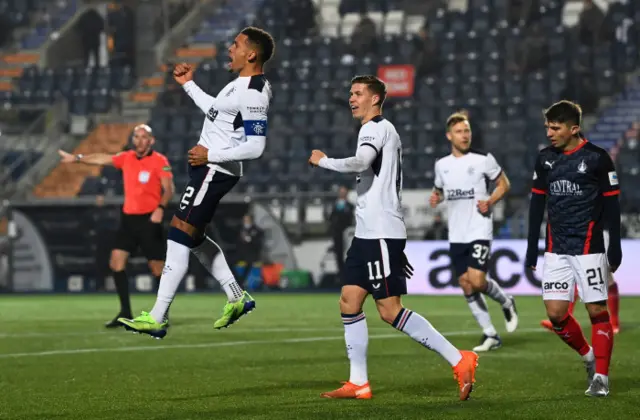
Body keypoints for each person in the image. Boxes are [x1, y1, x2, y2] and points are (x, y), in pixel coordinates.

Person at [308, 75, 478, 401]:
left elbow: (361, 161)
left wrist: (323, 160)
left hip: (381, 233)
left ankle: (460, 359)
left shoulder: (376, 128)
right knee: (349, 300)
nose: (351, 98)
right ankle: (358, 382)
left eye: (358, 93)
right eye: (350, 93)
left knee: (389, 310)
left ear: (375, 98)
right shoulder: (375, 129)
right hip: (367, 234)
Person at [118, 27, 274, 338]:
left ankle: (159, 316)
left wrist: (210, 155)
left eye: (236, 44)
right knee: (194, 236)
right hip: (209, 168)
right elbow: (216, 113)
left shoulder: (254, 91)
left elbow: (257, 147)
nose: (230, 49)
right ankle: (236, 296)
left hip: (215, 170)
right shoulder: (237, 86)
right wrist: (188, 85)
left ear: (251, 54)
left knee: (178, 234)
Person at [525, 100, 621, 397]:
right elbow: (537, 204)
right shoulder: (544, 159)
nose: (550, 133)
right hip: (556, 250)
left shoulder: (597, 158)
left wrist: (614, 246)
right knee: (556, 315)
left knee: (596, 311)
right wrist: (532, 247)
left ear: (574, 128)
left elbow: (613, 205)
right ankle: (588, 356)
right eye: (547, 127)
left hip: (589, 248)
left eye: (555, 128)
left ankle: (602, 378)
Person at [58, 124, 175, 327]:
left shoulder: (160, 161)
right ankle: (125, 312)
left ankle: (162, 313)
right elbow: (101, 157)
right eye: (136, 137)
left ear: (151, 140)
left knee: (157, 269)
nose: (139, 141)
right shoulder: (126, 157)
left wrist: (160, 209)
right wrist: (77, 158)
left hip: (150, 220)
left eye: (143, 137)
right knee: (116, 263)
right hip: (129, 220)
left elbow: (168, 189)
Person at [430, 113, 518, 352]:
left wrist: (490, 201)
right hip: (456, 233)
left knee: (477, 280)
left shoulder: (483, 159)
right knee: (466, 285)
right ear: (449, 136)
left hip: (479, 228)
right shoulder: (442, 165)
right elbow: (438, 190)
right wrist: (436, 197)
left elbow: (504, 184)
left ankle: (506, 301)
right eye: (459, 131)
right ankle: (490, 334)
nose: (465, 135)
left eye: (467, 130)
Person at [327, 185, 355, 277]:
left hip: (346, 233)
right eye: (341, 192)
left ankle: (349, 273)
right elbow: (331, 218)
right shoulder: (334, 205)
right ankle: (341, 274)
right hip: (337, 232)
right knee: (338, 253)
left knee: (348, 253)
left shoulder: (350, 206)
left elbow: (350, 218)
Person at [236, 213, 265, 286]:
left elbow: (259, 243)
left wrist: (250, 240)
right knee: (232, 263)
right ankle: (238, 281)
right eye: (245, 219)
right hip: (241, 253)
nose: (246, 221)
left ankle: (245, 282)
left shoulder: (257, 230)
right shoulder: (240, 229)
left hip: (252, 254)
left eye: (247, 219)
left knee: (249, 266)